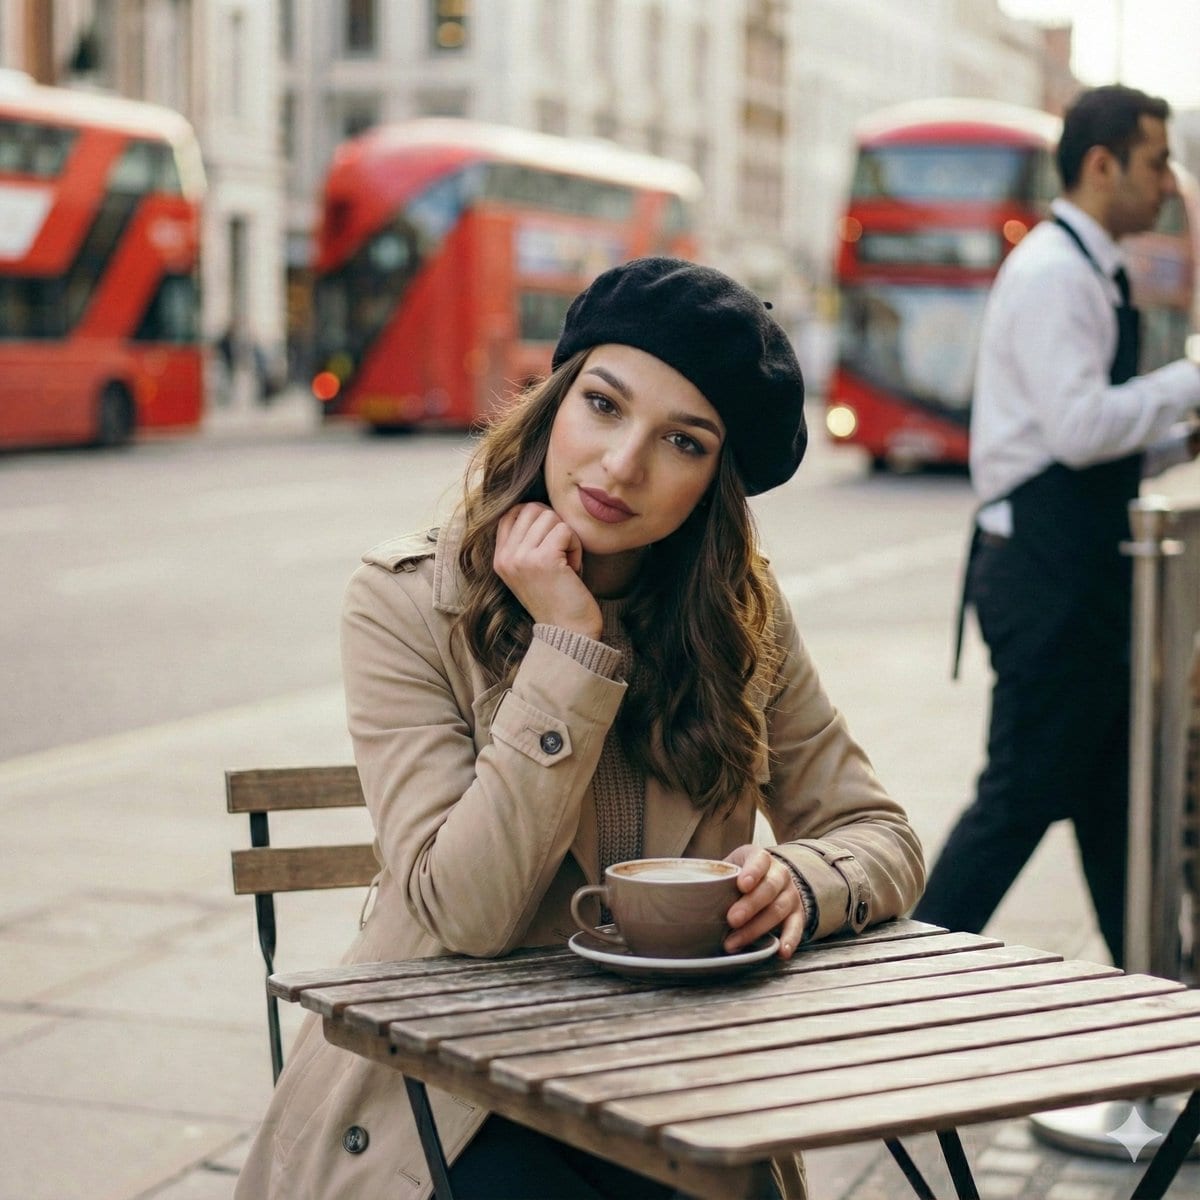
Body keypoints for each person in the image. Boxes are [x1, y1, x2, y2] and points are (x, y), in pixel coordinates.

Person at [235, 257, 925, 1200]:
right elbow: (466, 914)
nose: (621, 464)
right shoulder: (408, 604)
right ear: (555, 402)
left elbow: (879, 834)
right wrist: (569, 645)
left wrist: (802, 882)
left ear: (713, 484)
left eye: (682, 442)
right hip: (453, 1092)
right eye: (603, 405)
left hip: (677, 1079)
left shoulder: (741, 622)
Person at [915, 86, 1200, 969]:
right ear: (1102, 164)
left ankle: (1158, 988)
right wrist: (1191, 379)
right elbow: (1078, 432)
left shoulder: (1087, 268)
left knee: (1111, 799)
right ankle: (901, 967)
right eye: (1157, 161)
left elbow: (1082, 449)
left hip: (1071, 572)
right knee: (1022, 796)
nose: (1169, 182)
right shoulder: (1055, 274)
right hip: (1048, 583)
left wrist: (1178, 441)